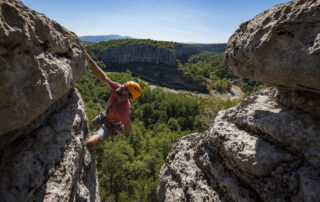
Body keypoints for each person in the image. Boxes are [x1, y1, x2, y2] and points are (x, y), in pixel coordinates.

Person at [84, 51, 142, 151]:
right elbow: (103, 77)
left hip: (111, 124)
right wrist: (89, 59)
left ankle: (107, 134)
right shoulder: (117, 87)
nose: (121, 87)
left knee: (89, 145)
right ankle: (101, 134)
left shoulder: (123, 111)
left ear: (128, 96)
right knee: (94, 122)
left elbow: (129, 129)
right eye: (124, 85)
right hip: (106, 115)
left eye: (125, 88)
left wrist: (120, 127)